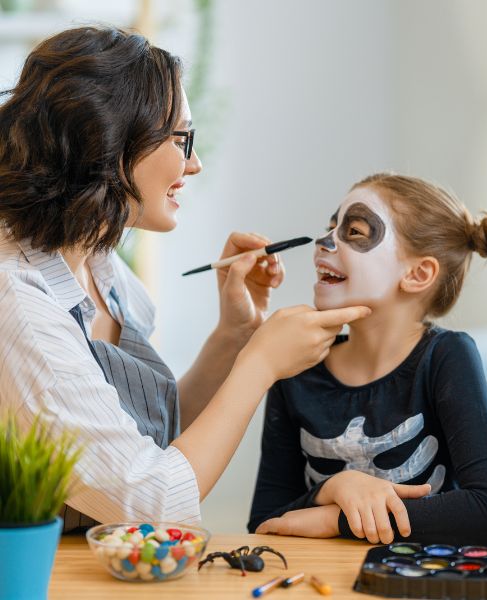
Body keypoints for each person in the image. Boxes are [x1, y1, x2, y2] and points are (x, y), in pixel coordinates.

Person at [0, 26, 369, 531]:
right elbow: (152, 501)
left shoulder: (102, 268)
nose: (194, 164)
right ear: (107, 139)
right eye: (181, 139)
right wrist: (259, 366)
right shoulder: (18, 304)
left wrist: (234, 337)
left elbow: (145, 443)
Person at [247, 173, 487, 546]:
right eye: (331, 227)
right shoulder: (296, 365)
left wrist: (337, 520)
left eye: (355, 231)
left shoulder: (446, 356)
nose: (324, 242)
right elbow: (266, 523)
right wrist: (336, 487)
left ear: (417, 273)